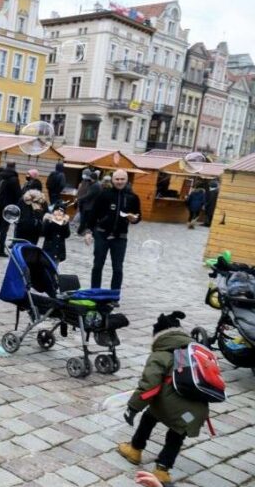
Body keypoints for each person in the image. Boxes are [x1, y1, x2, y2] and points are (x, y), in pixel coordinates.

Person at [118, 312, 208, 486]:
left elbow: (148, 386)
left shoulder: (160, 355)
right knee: (177, 431)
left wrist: (133, 408)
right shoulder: (186, 352)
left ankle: (135, 450)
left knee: (149, 416)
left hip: (173, 408)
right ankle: (162, 470)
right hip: (195, 412)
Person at [85, 170, 142, 290]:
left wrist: (134, 219)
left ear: (127, 180)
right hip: (102, 234)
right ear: (112, 180)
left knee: (117, 268)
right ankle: (95, 291)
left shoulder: (133, 197)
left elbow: (138, 216)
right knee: (97, 266)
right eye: (117, 179)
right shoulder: (104, 194)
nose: (119, 182)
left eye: (122, 179)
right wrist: (89, 231)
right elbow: (93, 214)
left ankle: (114, 295)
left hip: (120, 237)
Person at [0, 162, 21, 257]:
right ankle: (1, 250)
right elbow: (18, 194)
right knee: (4, 229)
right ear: (14, 167)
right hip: (8, 207)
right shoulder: (14, 179)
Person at [75, 171, 99, 236]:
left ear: (93, 178)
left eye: (90, 178)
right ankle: (81, 232)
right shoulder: (94, 184)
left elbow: (89, 195)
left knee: (86, 220)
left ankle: (82, 232)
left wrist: (79, 198)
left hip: (90, 206)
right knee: (86, 220)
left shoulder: (95, 186)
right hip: (88, 205)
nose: (89, 179)